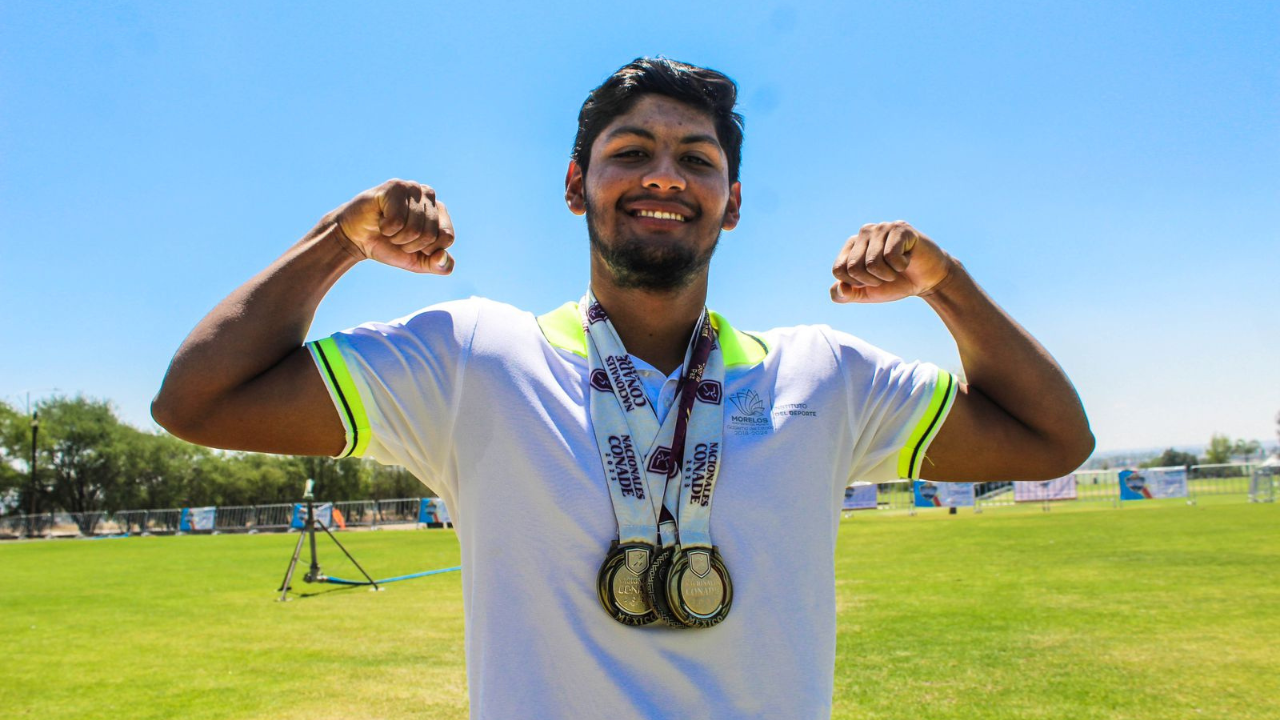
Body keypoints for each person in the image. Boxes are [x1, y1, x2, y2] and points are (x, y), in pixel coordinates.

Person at [153, 57, 1093, 719]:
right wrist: (340, 238)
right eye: (631, 151)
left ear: (733, 200)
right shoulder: (472, 359)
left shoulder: (826, 375)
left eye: (698, 160)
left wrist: (946, 284)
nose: (663, 176)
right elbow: (199, 399)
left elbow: (1051, 441)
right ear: (576, 184)